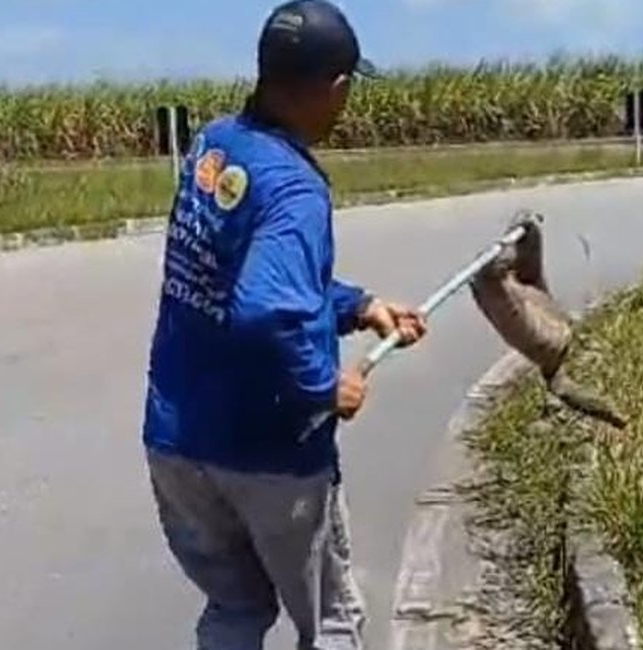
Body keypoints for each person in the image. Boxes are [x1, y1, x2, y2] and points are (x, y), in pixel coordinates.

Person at [140, 1, 427, 648]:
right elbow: (265, 306)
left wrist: (357, 305)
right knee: (331, 622)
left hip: (178, 442)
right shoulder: (297, 189)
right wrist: (320, 386)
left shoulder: (216, 145)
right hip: (267, 454)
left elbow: (233, 275)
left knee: (235, 611)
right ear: (336, 87)